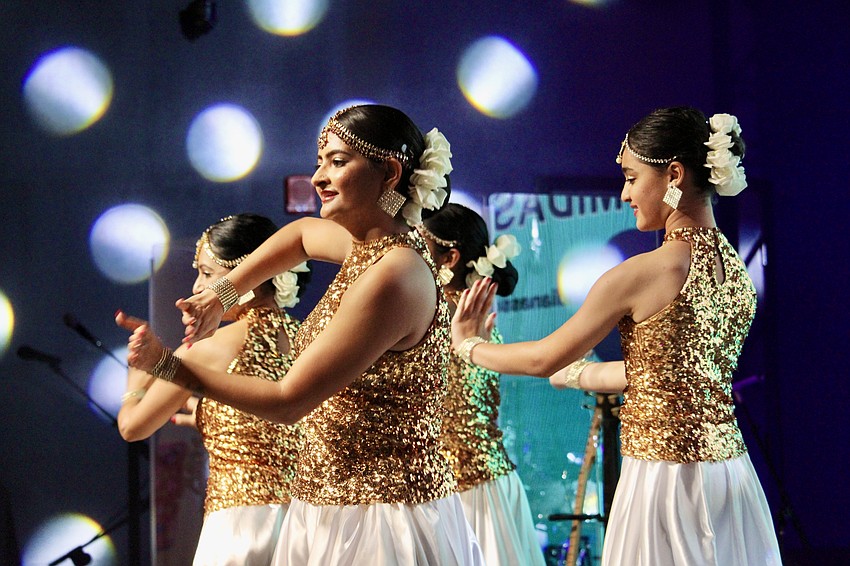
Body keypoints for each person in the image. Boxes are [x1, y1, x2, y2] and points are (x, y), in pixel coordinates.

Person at [117, 104, 484, 565]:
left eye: (337, 161)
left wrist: (170, 366)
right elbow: (302, 234)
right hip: (327, 505)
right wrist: (221, 296)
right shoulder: (373, 249)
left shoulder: (395, 274)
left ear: (389, 172)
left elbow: (290, 401)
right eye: (319, 162)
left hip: (380, 522)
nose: (318, 178)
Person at [451, 107, 782, 565]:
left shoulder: (645, 272)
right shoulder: (736, 273)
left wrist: (469, 344)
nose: (625, 193)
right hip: (731, 475)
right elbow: (660, 377)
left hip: (664, 483)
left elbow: (541, 359)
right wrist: (582, 374)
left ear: (674, 175)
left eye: (630, 177)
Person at [116, 213, 310, 566]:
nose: (195, 287)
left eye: (207, 273)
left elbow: (133, 427)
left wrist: (136, 381)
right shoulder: (310, 339)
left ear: (244, 274)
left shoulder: (209, 348)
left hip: (240, 527)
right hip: (307, 526)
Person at [416, 203, 546, 566]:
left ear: (449, 257)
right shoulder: (465, 315)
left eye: (418, 242)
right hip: (481, 483)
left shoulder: (443, 316)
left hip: (464, 492)